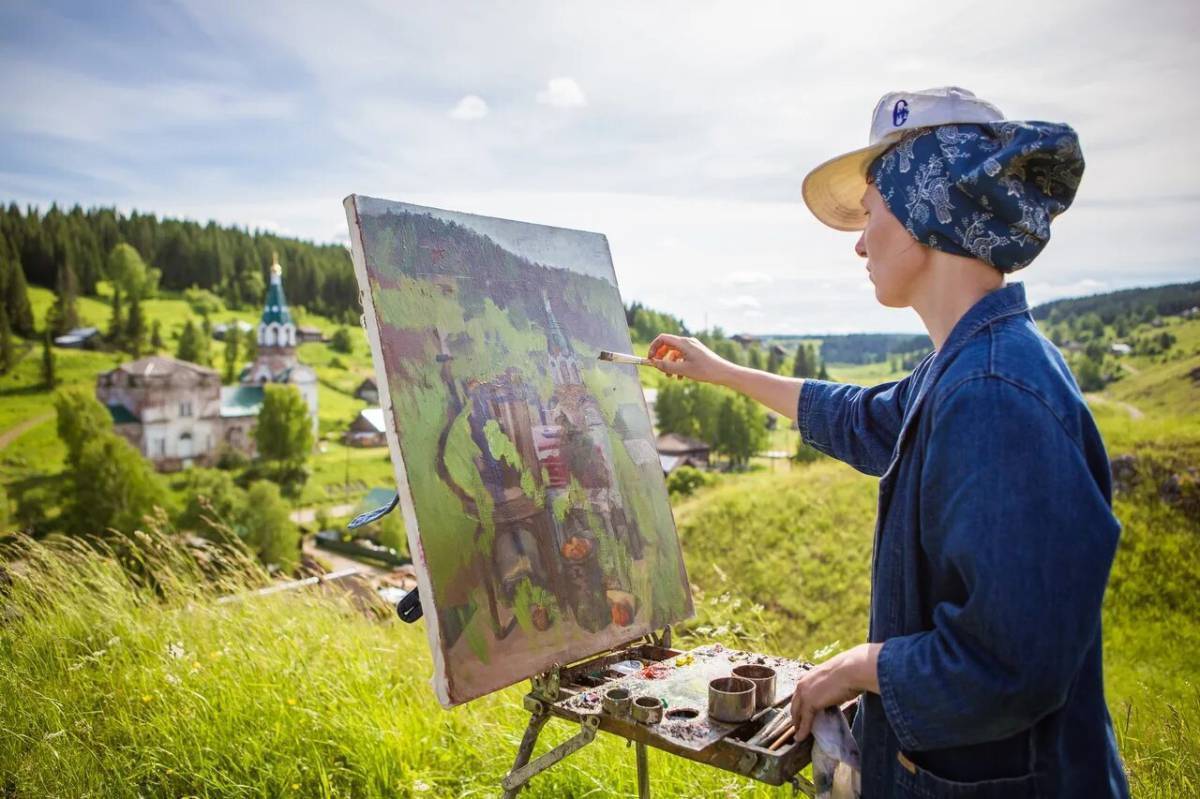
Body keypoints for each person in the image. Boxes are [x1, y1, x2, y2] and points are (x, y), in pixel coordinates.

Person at [648, 87, 1129, 797]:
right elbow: (858, 415)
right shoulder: (966, 365)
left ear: (923, 208)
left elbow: (1008, 667)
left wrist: (859, 664)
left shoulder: (993, 394)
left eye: (872, 211)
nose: (861, 240)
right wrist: (717, 372)